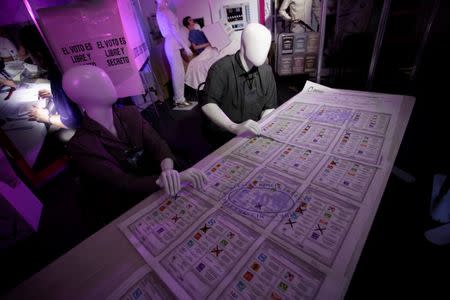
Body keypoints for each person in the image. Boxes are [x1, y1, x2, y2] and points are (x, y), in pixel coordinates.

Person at [64, 65, 206, 225]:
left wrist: (168, 171)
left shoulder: (130, 113)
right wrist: (165, 179)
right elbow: (122, 182)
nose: (109, 84)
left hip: (156, 182)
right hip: (126, 205)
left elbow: (158, 145)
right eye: (99, 83)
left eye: (106, 79)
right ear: (83, 96)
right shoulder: (81, 145)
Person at [201, 23, 277, 148]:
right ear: (243, 44)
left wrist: (261, 126)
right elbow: (208, 103)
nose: (262, 50)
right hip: (226, 136)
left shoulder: (266, 71)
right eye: (257, 43)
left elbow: (270, 106)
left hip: (254, 135)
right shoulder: (220, 69)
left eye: (266, 45)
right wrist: (234, 127)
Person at [156, 0, 192, 107]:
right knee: (178, 73)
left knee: (179, 73)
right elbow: (174, 31)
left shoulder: (162, 10)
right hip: (171, 43)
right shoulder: (163, 11)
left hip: (172, 43)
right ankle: (179, 99)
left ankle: (179, 98)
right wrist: (186, 47)